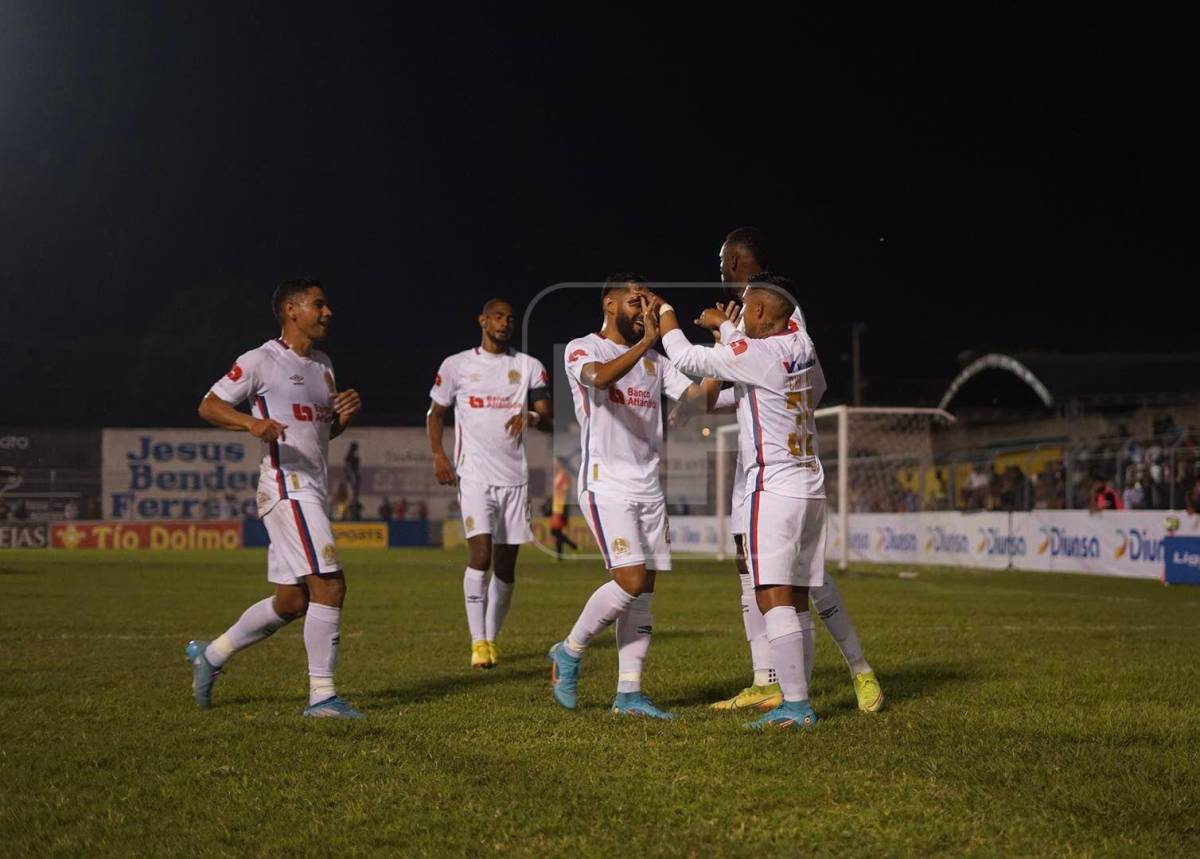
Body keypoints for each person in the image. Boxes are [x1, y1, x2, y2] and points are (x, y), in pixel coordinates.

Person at [690, 228, 882, 715]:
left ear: (735, 263)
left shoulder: (782, 310)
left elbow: (793, 380)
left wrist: (726, 343)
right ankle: (767, 680)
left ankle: (854, 672)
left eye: (721, 263)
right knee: (749, 565)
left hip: (781, 467)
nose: (719, 273)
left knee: (804, 582)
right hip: (754, 465)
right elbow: (738, 386)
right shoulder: (743, 317)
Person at [186, 277, 364, 719]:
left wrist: (341, 420)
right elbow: (209, 405)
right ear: (292, 310)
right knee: (330, 584)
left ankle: (211, 656)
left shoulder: (323, 366)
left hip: (313, 488)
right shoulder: (260, 360)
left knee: (292, 602)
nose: (328, 313)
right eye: (319, 305)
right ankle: (322, 698)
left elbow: (319, 432)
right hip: (286, 485)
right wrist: (251, 424)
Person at [658, 275, 832, 729]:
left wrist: (665, 314)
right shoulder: (803, 343)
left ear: (758, 313)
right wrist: (731, 332)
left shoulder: (757, 352)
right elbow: (757, 364)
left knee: (770, 594)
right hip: (811, 486)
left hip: (771, 488)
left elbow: (685, 356)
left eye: (746, 307)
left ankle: (795, 705)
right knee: (795, 596)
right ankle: (799, 695)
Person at [547, 275, 704, 719]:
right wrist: (646, 344)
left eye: (648, 302)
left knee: (645, 592)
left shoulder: (656, 361)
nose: (643, 310)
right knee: (630, 581)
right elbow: (598, 380)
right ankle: (569, 650)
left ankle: (629, 694)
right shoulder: (585, 347)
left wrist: (721, 350)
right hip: (607, 483)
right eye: (635, 302)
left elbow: (696, 397)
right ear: (610, 303)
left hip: (649, 487)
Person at [427, 298, 552, 669]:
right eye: (498, 316)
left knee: (506, 565)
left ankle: (492, 639)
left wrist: (530, 414)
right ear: (483, 320)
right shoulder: (457, 365)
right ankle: (477, 641)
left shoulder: (528, 366)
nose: (505, 322)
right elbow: (436, 412)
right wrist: (438, 454)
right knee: (479, 555)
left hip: (515, 479)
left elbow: (547, 416)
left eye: (511, 318)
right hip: (475, 475)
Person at [550, 457, 577, 559]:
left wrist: (564, 509)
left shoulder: (565, 476)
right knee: (556, 531)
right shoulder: (557, 476)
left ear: (560, 463)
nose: (554, 465)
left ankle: (564, 553)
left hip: (561, 508)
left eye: (555, 462)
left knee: (556, 531)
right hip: (556, 507)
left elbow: (566, 492)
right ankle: (568, 550)